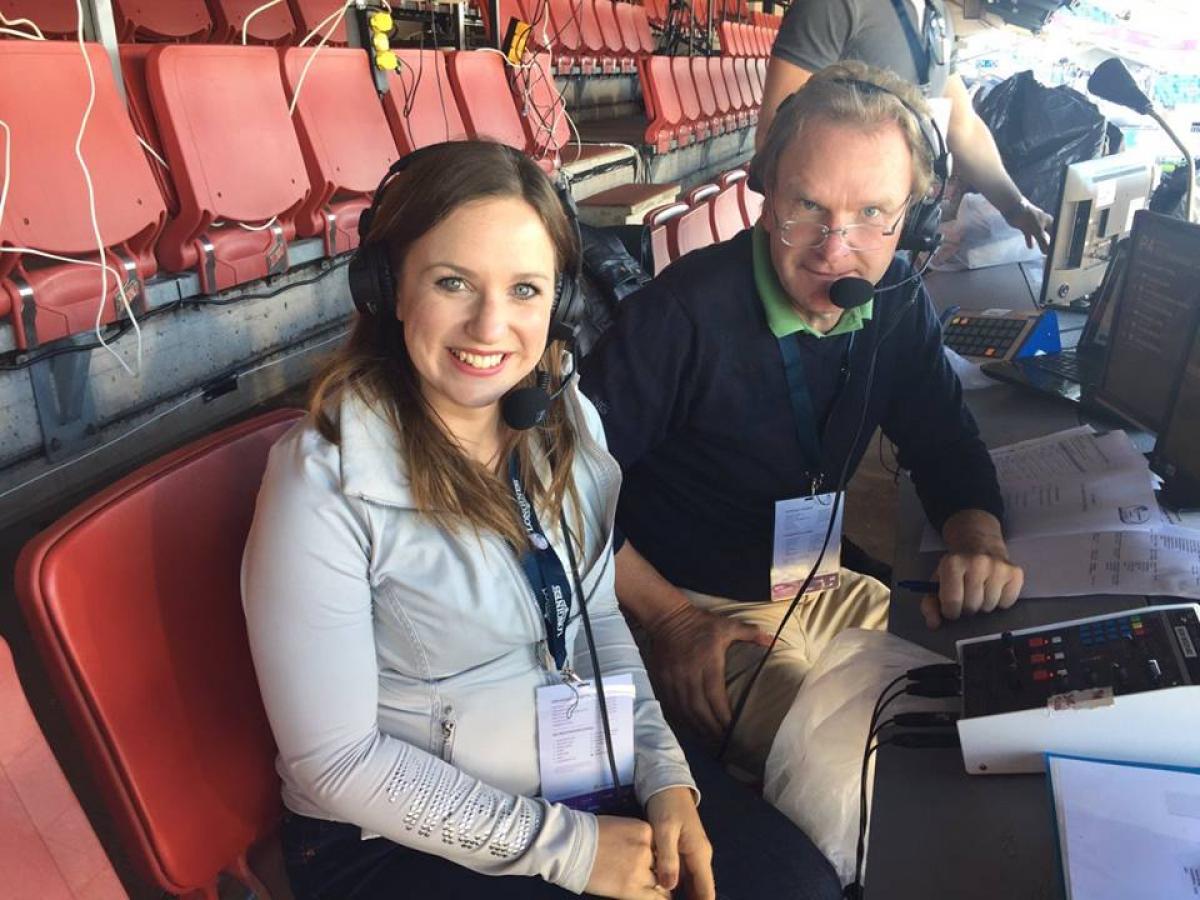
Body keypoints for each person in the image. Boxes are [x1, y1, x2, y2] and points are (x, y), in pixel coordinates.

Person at [241, 140, 840, 899]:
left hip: (573, 776)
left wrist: (665, 779)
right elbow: (335, 763)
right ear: (388, 287)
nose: (491, 327)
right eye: (453, 282)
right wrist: (572, 849)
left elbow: (596, 616)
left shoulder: (562, 421)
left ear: (560, 304)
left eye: (525, 290)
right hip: (392, 834)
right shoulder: (320, 478)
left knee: (797, 887)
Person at [580, 64, 1025, 778]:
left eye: (872, 216)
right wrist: (669, 619)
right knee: (854, 768)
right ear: (764, 198)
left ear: (911, 215)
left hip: (812, 583)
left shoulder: (900, 303)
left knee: (989, 676)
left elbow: (944, 441)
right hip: (689, 602)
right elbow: (555, 482)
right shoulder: (683, 315)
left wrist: (978, 536)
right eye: (807, 208)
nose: (833, 250)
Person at [757, 0, 1054, 252]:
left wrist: (1015, 206)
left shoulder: (936, 13)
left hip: (889, 231)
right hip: (828, 242)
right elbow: (777, 130)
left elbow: (962, 127)